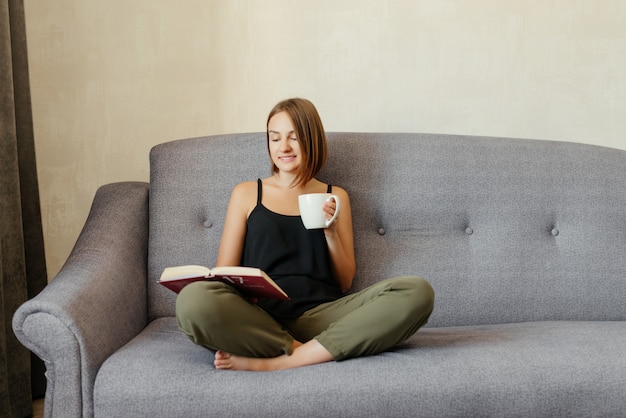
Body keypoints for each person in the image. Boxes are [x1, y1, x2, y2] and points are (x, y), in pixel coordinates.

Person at [175, 98, 434, 371]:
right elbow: (224, 272)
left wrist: (331, 232)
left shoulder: (336, 196)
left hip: (322, 316)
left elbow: (345, 282)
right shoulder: (246, 193)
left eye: (294, 138)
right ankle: (309, 350)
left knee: (416, 292)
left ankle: (280, 361)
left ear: (311, 140)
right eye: (275, 139)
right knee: (193, 300)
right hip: (260, 317)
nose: (283, 147)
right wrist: (243, 292)